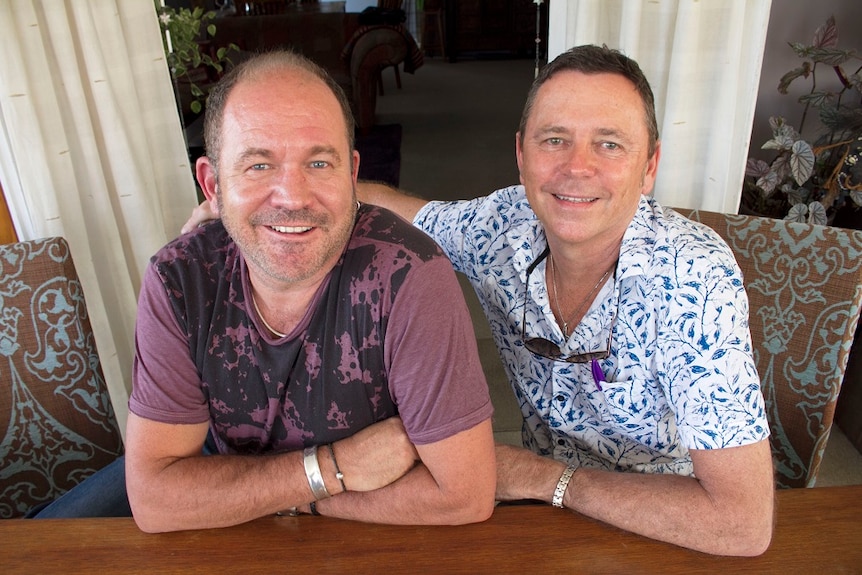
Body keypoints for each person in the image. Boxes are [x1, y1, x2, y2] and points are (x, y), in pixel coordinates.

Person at [182, 46, 775, 555]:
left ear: (649, 167)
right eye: (554, 139)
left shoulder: (695, 280)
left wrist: (550, 480)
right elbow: (394, 208)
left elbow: (742, 523)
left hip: (667, 526)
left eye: (611, 145)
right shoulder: (505, 225)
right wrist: (261, 199)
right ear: (521, 155)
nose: (577, 168)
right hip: (538, 517)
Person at [125, 50, 496, 533]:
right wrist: (333, 469)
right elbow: (155, 502)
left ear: (351, 175)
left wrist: (279, 497)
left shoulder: (408, 274)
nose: (294, 197)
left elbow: (463, 496)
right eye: (258, 166)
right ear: (212, 185)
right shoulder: (180, 280)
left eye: (319, 162)